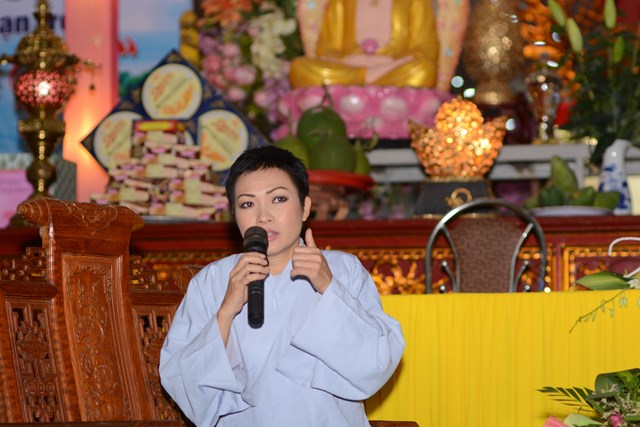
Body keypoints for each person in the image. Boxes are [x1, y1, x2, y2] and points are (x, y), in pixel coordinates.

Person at [159, 145, 405, 427]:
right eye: (247, 204)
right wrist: (226, 312)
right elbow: (182, 384)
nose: (263, 216)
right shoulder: (212, 281)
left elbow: (376, 362)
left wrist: (328, 287)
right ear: (234, 215)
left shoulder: (342, 270)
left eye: (278, 199)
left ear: (305, 207)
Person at [289, 0, 439, 88]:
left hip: (393, 67)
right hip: (349, 66)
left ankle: (361, 82)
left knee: (424, 70)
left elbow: (425, 50)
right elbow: (326, 50)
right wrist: (351, 61)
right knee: (300, 67)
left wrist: (388, 62)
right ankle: (372, 81)